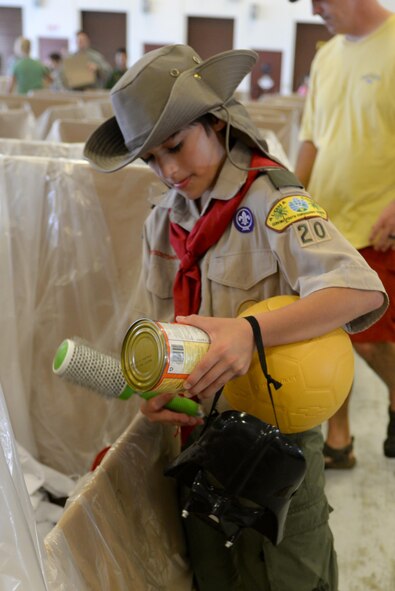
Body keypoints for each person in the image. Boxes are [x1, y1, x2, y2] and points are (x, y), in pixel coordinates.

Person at [84, 44, 387, 591]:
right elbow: (157, 323)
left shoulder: (271, 200)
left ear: (216, 122)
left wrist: (251, 331)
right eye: (152, 159)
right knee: (214, 571)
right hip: (200, 438)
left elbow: (358, 291)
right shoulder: (166, 220)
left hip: (278, 437)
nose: (169, 170)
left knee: (287, 572)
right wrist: (154, 386)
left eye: (176, 145)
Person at [294, 0, 395, 467]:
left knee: (373, 339)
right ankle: (340, 441)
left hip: (379, 225)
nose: (315, 9)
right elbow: (312, 137)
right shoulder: (326, 55)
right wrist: (289, 199)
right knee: (331, 335)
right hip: (326, 226)